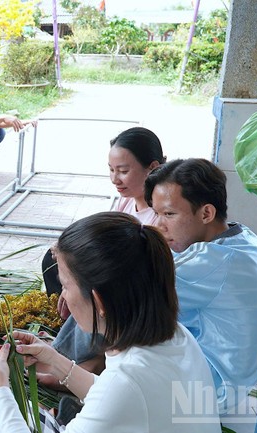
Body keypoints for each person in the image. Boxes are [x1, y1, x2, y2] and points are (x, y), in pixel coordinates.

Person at [0, 212, 221, 432]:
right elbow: (115, 396)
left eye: (65, 286)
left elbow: (119, 394)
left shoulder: (126, 382)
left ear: (99, 302)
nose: (63, 296)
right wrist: (54, 361)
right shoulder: (176, 335)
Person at [144, 158, 257, 417]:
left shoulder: (213, 260)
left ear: (206, 213)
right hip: (244, 378)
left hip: (213, 391)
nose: (158, 225)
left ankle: (80, 373)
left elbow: (132, 296)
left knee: (117, 312)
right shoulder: (243, 237)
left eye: (169, 214)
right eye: (157, 213)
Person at [42, 126, 166, 371]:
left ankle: (86, 357)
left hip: (125, 292)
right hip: (109, 287)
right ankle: (74, 339)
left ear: (152, 167)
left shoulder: (160, 215)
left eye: (123, 171)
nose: (114, 179)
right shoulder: (126, 201)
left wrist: (75, 285)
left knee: (88, 287)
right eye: (111, 170)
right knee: (54, 260)